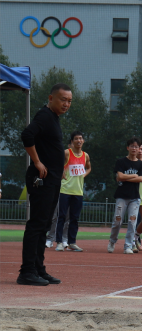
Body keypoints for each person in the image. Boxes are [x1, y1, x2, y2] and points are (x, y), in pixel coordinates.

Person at [18, 83, 72, 286]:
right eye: (62, 99)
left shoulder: (53, 119)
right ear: (51, 98)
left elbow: (49, 146)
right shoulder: (44, 116)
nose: (66, 104)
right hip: (42, 180)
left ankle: (38, 269)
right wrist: (37, 162)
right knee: (37, 225)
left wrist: (60, 167)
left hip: (53, 179)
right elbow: (27, 135)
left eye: (69, 101)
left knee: (44, 225)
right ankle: (27, 271)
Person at [54, 131, 91, 252]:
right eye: (76, 139)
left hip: (78, 191)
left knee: (75, 218)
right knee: (62, 216)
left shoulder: (85, 155)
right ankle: (59, 242)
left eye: (81, 138)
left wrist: (84, 174)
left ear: (83, 141)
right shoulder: (66, 153)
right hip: (65, 190)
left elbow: (89, 167)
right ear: (72, 141)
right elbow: (56, 163)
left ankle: (72, 243)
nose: (79, 141)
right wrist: (61, 172)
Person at [107, 137, 142, 254]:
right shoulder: (121, 162)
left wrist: (126, 177)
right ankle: (112, 241)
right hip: (121, 196)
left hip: (134, 197)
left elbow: (141, 178)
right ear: (128, 147)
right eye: (132, 146)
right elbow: (120, 177)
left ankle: (128, 245)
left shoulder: (140, 164)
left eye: (136, 146)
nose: (134, 148)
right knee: (117, 220)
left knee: (132, 221)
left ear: (139, 149)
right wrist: (133, 176)